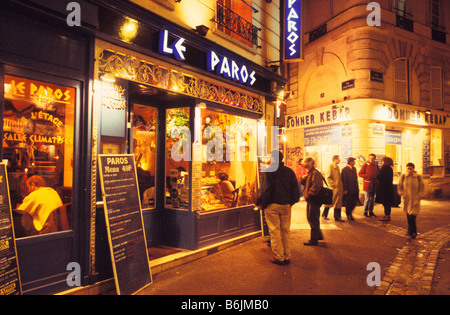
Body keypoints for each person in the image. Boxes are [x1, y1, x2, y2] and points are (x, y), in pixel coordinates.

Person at [256, 150, 300, 265]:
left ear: (273, 159)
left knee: (275, 232)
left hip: (272, 205)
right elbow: (296, 190)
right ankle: (287, 256)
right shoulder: (289, 172)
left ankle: (279, 257)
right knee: (285, 231)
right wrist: (291, 202)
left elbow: (265, 189)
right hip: (286, 205)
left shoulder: (269, 171)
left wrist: (260, 202)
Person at [300, 157, 324, 246]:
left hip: (314, 199)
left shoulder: (315, 173)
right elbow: (305, 184)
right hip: (311, 199)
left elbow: (316, 186)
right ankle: (318, 235)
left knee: (312, 218)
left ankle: (314, 240)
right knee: (311, 218)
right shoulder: (310, 173)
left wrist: (309, 194)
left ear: (310, 163)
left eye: (305, 161)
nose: (304, 163)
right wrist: (302, 178)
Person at [397, 163, 425, 239]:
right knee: (409, 216)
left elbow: (422, 187)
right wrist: (402, 193)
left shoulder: (418, 177)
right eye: (408, 168)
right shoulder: (403, 177)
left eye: (411, 168)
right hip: (407, 200)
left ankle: (413, 231)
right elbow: (400, 186)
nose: (409, 170)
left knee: (413, 216)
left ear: (413, 169)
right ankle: (411, 231)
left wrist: (420, 195)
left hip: (415, 200)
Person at [322, 155, 344, 222]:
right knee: (330, 202)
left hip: (339, 188)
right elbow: (328, 177)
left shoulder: (337, 167)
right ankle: (324, 214)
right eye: (338, 159)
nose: (339, 160)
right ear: (335, 159)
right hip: (333, 188)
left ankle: (337, 217)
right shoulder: (330, 166)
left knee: (338, 203)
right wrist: (332, 184)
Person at [376, 157, 394, 221]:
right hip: (389, 188)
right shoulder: (390, 169)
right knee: (388, 203)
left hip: (384, 188)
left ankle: (386, 215)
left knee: (385, 203)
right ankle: (387, 215)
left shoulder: (384, 168)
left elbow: (379, 177)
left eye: (383, 161)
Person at [341, 157, 359, 221]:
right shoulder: (344, 169)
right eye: (353, 161)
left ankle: (349, 213)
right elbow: (344, 180)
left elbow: (356, 180)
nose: (354, 162)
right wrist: (345, 189)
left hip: (354, 189)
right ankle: (348, 214)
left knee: (354, 203)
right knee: (349, 203)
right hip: (348, 190)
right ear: (350, 162)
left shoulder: (354, 169)